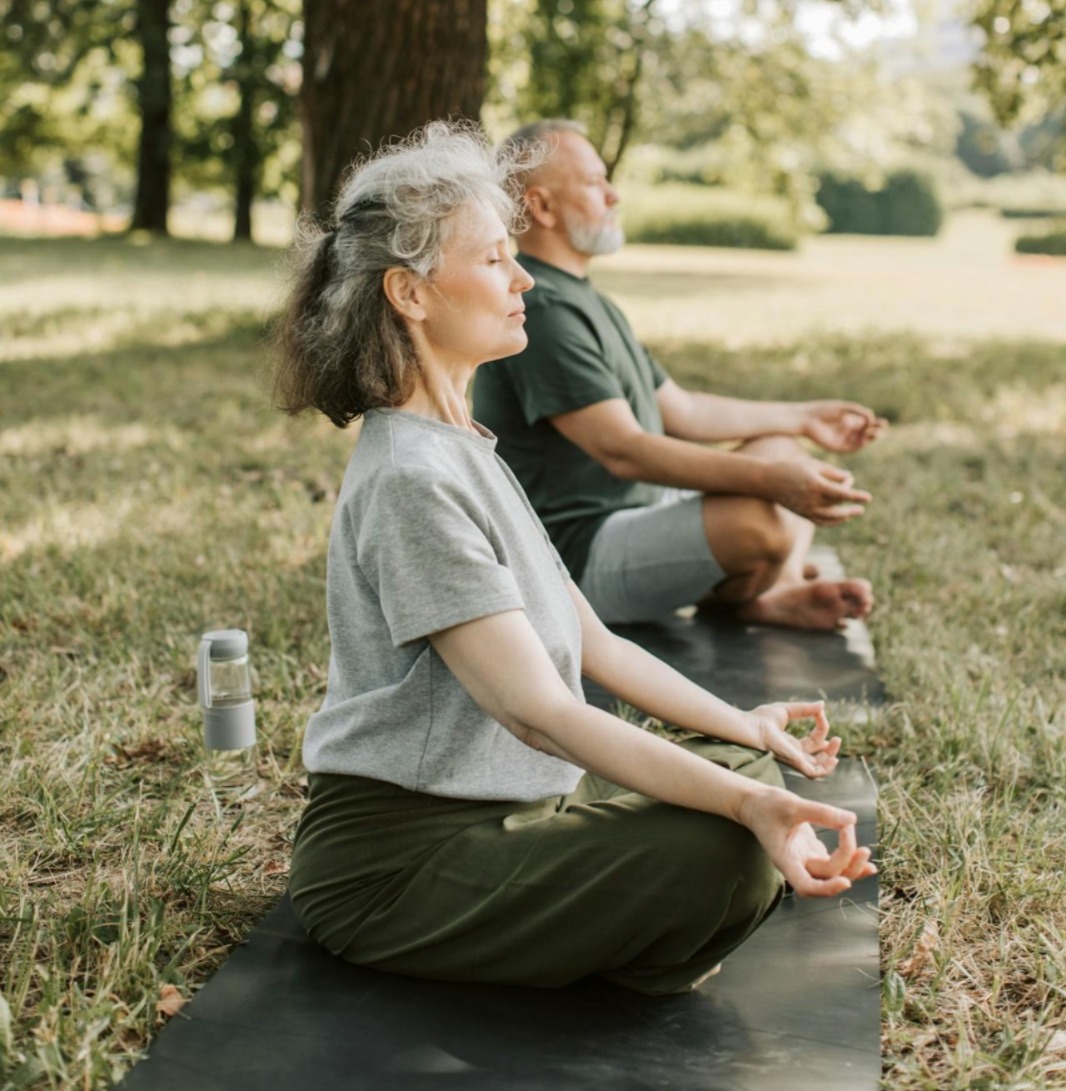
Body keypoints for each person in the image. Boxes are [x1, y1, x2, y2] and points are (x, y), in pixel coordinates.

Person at [273, 122, 875, 996]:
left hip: (521, 806)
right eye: (492, 261)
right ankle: (621, 927)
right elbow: (539, 713)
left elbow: (598, 645)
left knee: (743, 766)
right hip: (400, 864)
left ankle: (615, 912)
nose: (522, 280)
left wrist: (746, 729)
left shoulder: (463, 446)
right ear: (409, 292)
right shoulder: (411, 477)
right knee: (729, 848)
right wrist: (748, 807)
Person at [474, 119, 888, 630]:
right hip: (574, 558)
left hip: (638, 514)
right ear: (541, 207)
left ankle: (771, 594)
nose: (613, 195)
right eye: (594, 182)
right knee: (761, 521)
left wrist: (803, 418)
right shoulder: (544, 310)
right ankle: (760, 589)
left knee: (782, 448)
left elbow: (683, 410)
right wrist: (771, 482)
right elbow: (622, 450)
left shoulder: (584, 298)